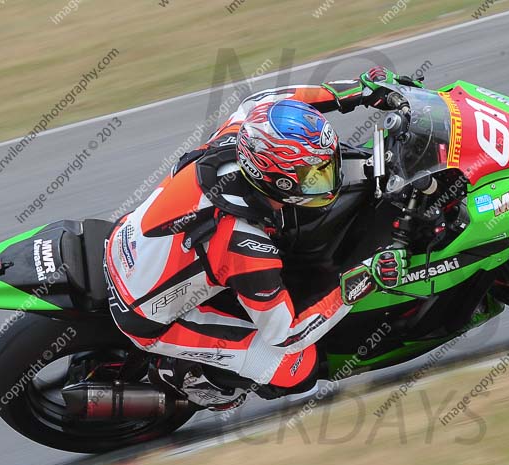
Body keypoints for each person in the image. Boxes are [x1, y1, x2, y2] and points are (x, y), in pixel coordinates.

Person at [104, 67, 420, 409]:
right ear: (277, 181)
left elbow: (273, 99)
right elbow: (285, 335)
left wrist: (357, 92)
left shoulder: (247, 131)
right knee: (298, 369)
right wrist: (363, 280)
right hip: (147, 315)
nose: (326, 178)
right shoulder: (242, 242)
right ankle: (190, 377)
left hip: (128, 240)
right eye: (312, 176)